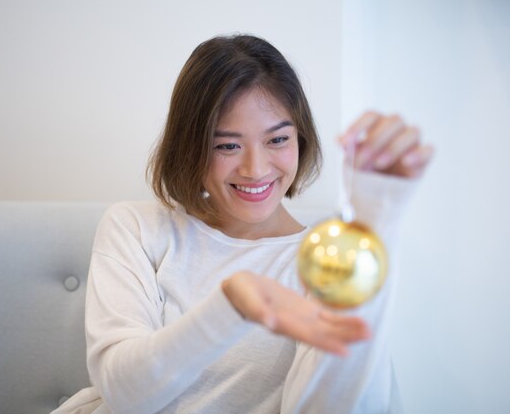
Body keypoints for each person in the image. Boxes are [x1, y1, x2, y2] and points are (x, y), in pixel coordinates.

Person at [53, 34, 433, 414]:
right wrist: (231, 309)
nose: (255, 169)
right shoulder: (136, 227)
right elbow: (124, 394)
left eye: (277, 139)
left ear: (300, 138)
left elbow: (326, 406)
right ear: (191, 146)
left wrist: (374, 221)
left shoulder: (329, 254)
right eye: (227, 145)